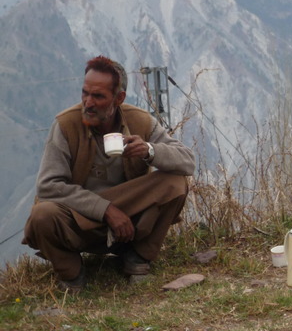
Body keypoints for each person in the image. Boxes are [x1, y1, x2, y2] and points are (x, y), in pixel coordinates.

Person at [23, 55, 195, 292]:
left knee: (175, 182)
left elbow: (188, 163)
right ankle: (71, 272)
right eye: (85, 93)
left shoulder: (140, 122)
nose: (88, 103)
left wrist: (149, 151)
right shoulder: (65, 125)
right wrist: (105, 210)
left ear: (119, 98)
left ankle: (137, 257)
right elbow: (48, 186)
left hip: (129, 216)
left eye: (98, 96)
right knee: (42, 214)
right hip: (78, 218)